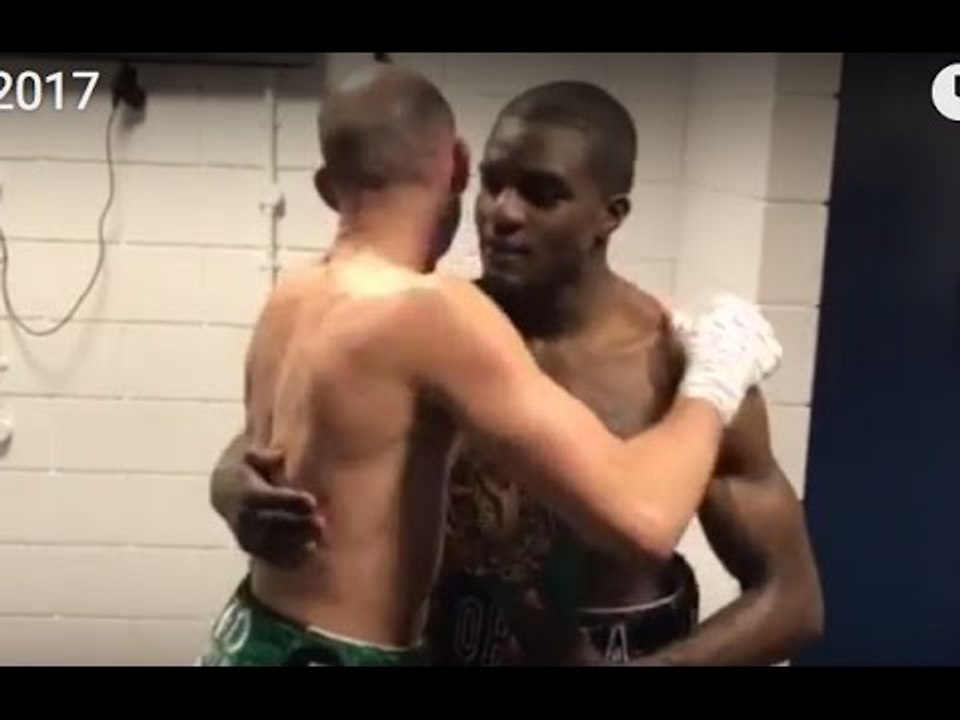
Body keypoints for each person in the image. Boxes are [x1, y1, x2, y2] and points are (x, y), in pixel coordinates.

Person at [201, 67, 782, 667]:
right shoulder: (439, 319)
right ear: (458, 168)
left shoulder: (298, 292)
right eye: (492, 184)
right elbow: (647, 518)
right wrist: (230, 486)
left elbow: (793, 599)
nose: (503, 213)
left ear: (610, 215)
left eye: (542, 193)